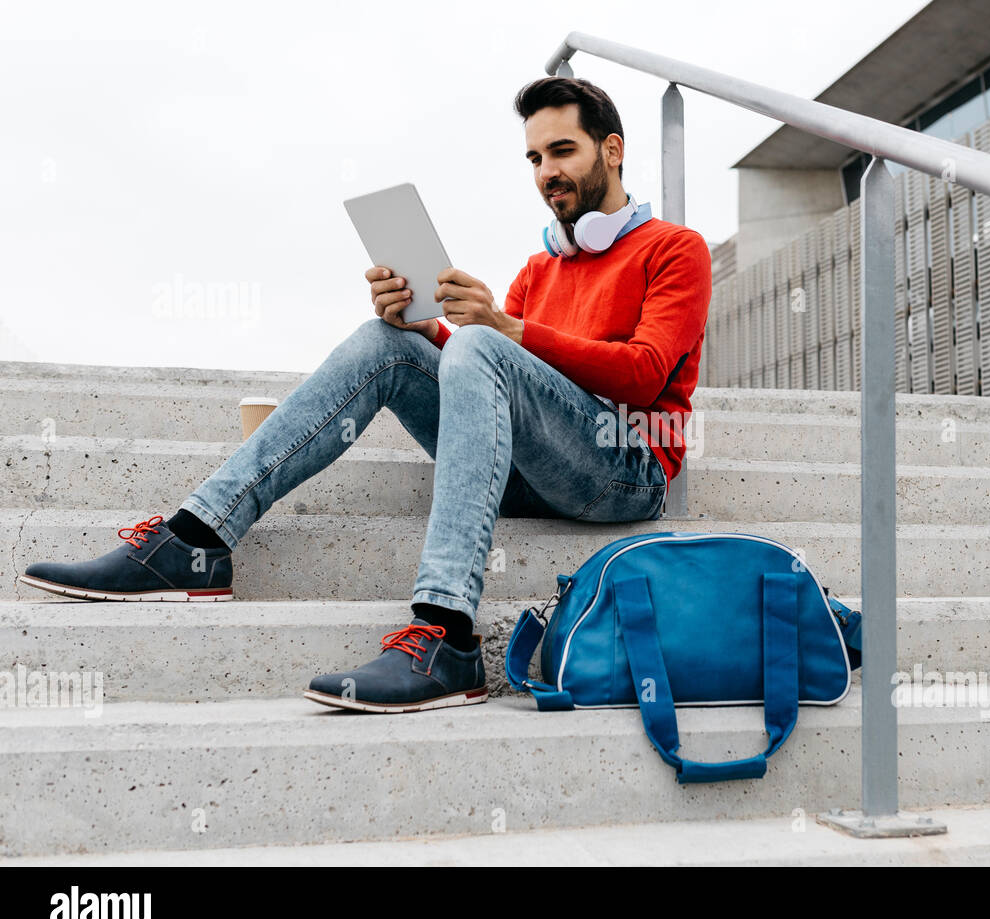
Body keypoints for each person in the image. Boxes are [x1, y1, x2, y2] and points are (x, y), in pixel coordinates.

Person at [18, 76, 713, 713]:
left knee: (480, 340)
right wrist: (422, 328)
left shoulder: (676, 250)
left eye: (561, 151)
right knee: (385, 340)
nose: (546, 173)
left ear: (612, 150)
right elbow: (492, 375)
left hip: (622, 468)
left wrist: (501, 327)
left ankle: (446, 636)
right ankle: (195, 538)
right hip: (527, 467)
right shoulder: (540, 268)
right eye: (533, 159)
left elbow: (644, 374)